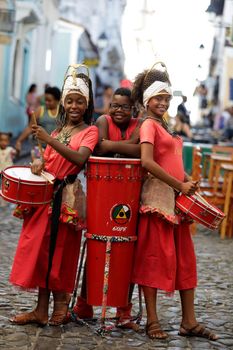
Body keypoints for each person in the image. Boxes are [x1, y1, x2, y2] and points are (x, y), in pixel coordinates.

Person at [131, 64, 218, 340]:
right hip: (157, 200)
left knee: (185, 261)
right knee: (154, 259)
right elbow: (146, 161)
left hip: (176, 201)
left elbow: (171, 161)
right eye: (158, 98)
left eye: (167, 98)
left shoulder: (164, 126)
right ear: (147, 100)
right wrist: (178, 183)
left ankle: (189, 322)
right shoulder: (148, 125)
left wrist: (187, 179)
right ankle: (152, 321)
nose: (163, 103)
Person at [9, 65, 98, 327]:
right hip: (45, 199)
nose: (73, 105)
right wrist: (38, 164)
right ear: (63, 103)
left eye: (79, 101)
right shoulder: (60, 131)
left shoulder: (89, 131)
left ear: (87, 104)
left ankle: (60, 306)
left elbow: (80, 158)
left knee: (61, 252)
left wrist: (49, 139)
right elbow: (48, 162)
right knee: (41, 253)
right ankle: (40, 309)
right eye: (69, 100)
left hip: (67, 199)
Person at [71, 88, 140, 330]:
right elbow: (98, 149)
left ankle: (124, 309)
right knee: (96, 244)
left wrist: (111, 144)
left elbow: (141, 149)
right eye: (115, 105)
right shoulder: (103, 120)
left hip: (130, 194)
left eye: (124, 106)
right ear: (109, 106)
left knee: (128, 250)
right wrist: (124, 146)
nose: (118, 110)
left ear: (133, 109)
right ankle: (83, 303)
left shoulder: (139, 124)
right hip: (102, 193)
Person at [15, 86, 61, 160]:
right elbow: (30, 127)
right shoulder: (40, 110)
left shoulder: (62, 112)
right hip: (39, 146)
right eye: (45, 100)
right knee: (37, 167)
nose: (46, 102)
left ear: (57, 100)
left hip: (55, 148)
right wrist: (19, 141)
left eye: (49, 100)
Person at [0, 132, 17, 207]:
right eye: (1, 140)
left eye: (5, 140)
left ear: (8, 141)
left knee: (8, 187)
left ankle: (9, 200)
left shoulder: (10, 149)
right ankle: (2, 202)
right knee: (1, 187)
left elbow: (16, 153)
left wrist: (18, 149)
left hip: (8, 173)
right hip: (0, 172)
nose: (3, 142)